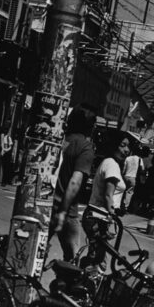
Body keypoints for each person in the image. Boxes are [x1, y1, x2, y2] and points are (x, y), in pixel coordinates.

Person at [80, 130, 134, 270]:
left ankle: (83, 277)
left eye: (128, 146)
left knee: (97, 257)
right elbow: (108, 195)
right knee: (97, 260)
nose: (126, 150)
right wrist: (112, 216)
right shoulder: (111, 165)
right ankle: (80, 279)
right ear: (113, 145)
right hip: (98, 217)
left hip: (97, 216)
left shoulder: (110, 163)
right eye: (122, 145)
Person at [51, 105, 97, 262]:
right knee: (72, 258)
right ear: (89, 126)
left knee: (38, 248)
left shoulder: (59, 139)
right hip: (65, 209)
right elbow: (75, 182)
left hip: (46, 202)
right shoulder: (85, 147)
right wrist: (63, 212)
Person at [122, 148, 144, 213]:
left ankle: (120, 204)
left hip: (125, 176)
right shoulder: (140, 159)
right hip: (133, 177)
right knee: (129, 193)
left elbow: (124, 168)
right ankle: (125, 207)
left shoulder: (127, 158)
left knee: (122, 190)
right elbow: (142, 169)